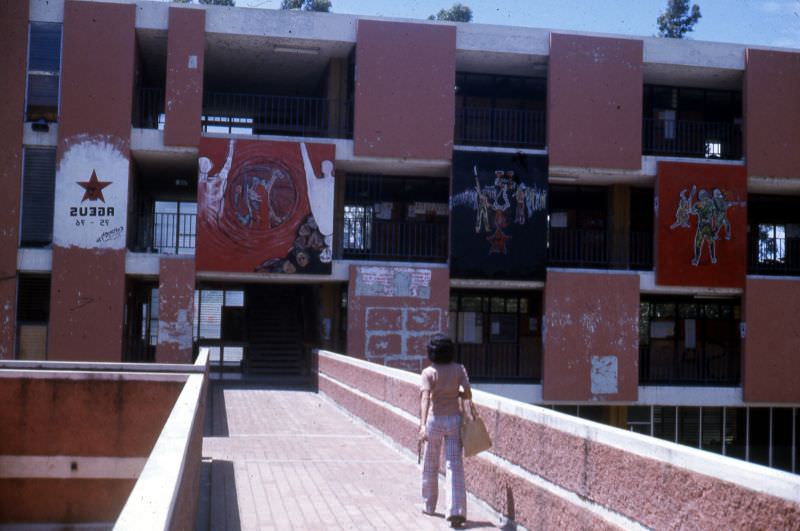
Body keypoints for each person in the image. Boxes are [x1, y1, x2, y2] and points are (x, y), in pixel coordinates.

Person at [419, 334, 472, 528]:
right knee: (453, 464)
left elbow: (425, 398)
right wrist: (454, 392)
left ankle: (429, 504)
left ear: (431, 352)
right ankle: (456, 510)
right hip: (454, 421)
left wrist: (422, 425)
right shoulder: (459, 369)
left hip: (435, 421)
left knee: (430, 462)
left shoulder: (428, 373)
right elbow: (467, 393)